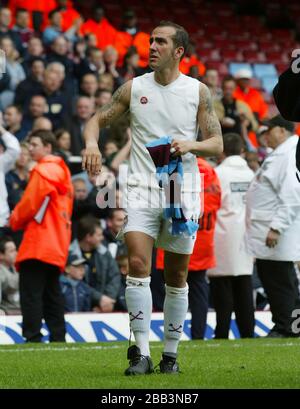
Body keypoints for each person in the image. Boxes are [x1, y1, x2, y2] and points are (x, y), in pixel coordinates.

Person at [82, 21, 223, 375]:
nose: (152, 47)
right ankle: (141, 353)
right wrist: (90, 144)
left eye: (161, 42)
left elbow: (217, 143)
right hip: (141, 190)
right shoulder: (133, 88)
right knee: (139, 267)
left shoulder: (198, 92)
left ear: (178, 51)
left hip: (182, 191)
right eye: (150, 41)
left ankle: (171, 355)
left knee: (176, 276)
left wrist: (191, 144)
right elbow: (95, 121)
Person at [9, 129, 74, 343]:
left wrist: (14, 220)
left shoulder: (43, 171)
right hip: (57, 243)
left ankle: (33, 336)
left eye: (34, 144)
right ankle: (58, 337)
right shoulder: (63, 173)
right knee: (52, 293)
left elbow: (29, 205)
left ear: (47, 147)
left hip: (38, 242)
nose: (29, 148)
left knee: (31, 293)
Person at [245, 115, 300, 337]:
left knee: (281, 281)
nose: (264, 137)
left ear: (281, 130)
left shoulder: (287, 155)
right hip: (269, 230)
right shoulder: (281, 153)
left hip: (277, 232)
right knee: (275, 279)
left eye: (268, 131)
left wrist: (277, 227)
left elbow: (292, 193)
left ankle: (289, 327)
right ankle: (284, 324)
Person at [208, 133, 255, 339]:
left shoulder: (216, 173)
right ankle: (247, 332)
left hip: (222, 233)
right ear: (242, 151)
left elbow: (210, 205)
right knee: (245, 286)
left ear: (222, 151)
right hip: (246, 233)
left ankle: (221, 333)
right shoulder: (252, 174)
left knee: (222, 287)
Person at [0, 236, 20, 314]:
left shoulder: (16, 268)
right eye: (11, 251)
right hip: (8, 312)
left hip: (23, 310)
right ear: (1, 255)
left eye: (15, 250)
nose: (16, 253)